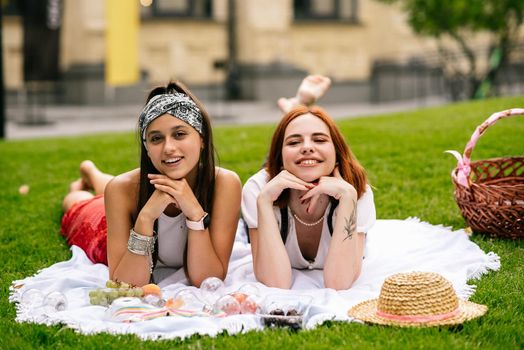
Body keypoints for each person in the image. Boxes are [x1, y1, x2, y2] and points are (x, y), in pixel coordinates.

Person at [61, 81, 242, 287]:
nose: (168, 148)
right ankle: (89, 175)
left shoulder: (224, 183)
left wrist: (194, 213)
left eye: (179, 134)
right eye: (156, 139)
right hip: (105, 231)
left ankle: (93, 174)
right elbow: (126, 283)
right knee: (76, 201)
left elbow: (207, 279)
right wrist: (145, 218)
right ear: (147, 149)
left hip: (132, 191)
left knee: (111, 188)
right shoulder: (121, 189)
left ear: (201, 138)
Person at [241, 79, 376, 291]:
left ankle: (296, 108)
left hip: (334, 184)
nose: (307, 148)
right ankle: (296, 109)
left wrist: (348, 197)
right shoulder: (258, 189)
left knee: (304, 156)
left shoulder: (356, 190)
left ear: (337, 151)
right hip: (277, 180)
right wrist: (265, 203)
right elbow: (275, 284)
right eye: (293, 142)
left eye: (320, 140)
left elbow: (339, 284)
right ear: (280, 156)